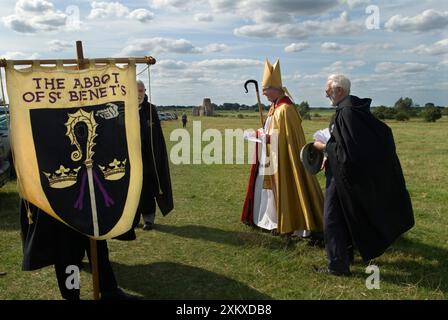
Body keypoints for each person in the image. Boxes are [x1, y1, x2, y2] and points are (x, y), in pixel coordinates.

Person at [313, 74, 414, 276]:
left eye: (328, 89)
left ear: (339, 90)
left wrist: (323, 147)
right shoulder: (352, 109)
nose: (325, 93)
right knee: (344, 218)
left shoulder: (347, 113)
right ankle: (344, 259)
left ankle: (336, 265)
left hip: (343, 177)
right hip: (347, 175)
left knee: (332, 218)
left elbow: (347, 152)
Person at [241, 59, 324, 237]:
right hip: (270, 157)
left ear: (275, 88)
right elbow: (269, 130)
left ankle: (291, 223)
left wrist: (265, 137)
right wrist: (257, 134)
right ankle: (270, 220)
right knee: (266, 189)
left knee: (284, 187)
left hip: (285, 159)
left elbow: (286, 139)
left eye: (266, 90)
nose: (264, 94)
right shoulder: (274, 108)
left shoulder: (286, 109)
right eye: (262, 90)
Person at [20, 200, 139, 300]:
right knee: (68, 253)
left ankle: (109, 290)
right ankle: (72, 295)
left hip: (87, 199)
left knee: (98, 247)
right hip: (60, 202)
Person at [137, 80, 173, 230]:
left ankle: (148, 218)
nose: (139, 94)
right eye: (136, 90)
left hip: (146, 157)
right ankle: (131, 220)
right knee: (130, 189)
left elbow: (156, 135)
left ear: (145, 91)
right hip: (129, 157)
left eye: (141, 90)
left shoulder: (151, 109)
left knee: (146, 188)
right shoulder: (123, 108)